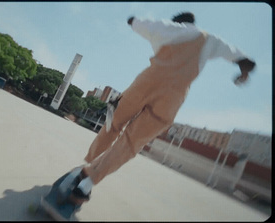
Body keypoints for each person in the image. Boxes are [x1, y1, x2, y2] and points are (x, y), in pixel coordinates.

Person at [66, 12, 256, 205]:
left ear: (178, 21)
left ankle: (91, 160)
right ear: (193, 23)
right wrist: (244, 72)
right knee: (132, 142)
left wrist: (133, 21)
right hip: (174, 97)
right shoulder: (210, 40)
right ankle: (86, 185)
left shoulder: (167, 27)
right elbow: (242, 59)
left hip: (147, 82)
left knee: (113, 120)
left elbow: (135, 22)